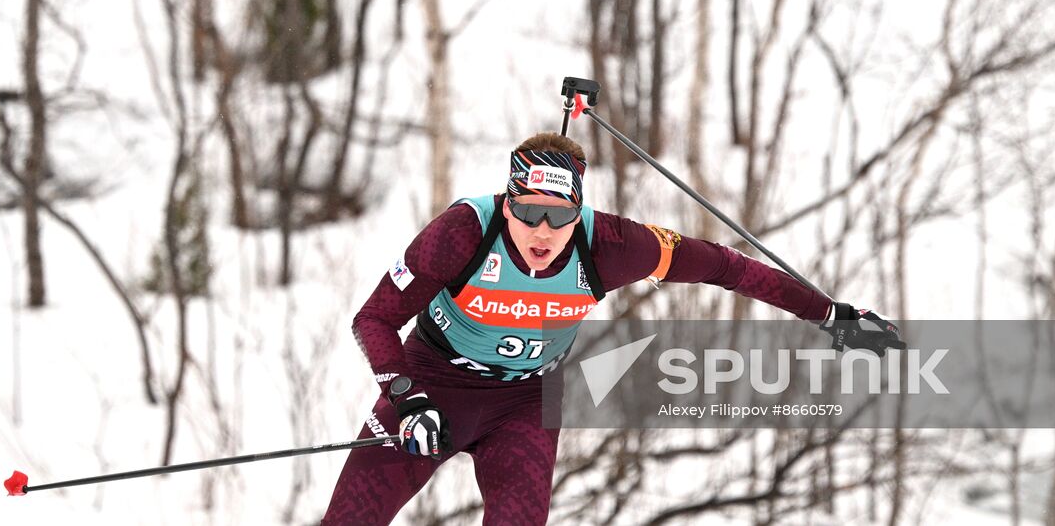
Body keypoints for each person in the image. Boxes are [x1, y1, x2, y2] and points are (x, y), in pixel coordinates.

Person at [320, 132, 901, 525]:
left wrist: (831, 316)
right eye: (527, 212)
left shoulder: (612, 246)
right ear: (508, 200)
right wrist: (408, 398)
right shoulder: (462, 234)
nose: (542, 231)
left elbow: (726, 267)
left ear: (579, 212)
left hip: (524, 401)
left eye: (560, 216)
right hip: (431, 384)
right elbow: (373, 319)